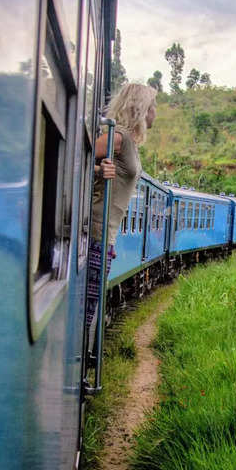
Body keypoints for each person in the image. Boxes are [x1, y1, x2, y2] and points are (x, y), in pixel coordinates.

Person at [85, 83, 157, 329]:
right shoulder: (120, 137)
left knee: (91, 304)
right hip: (97, 229)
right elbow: (76, 153)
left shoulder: (130, 143)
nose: (155, 112)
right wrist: (97, 169)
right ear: (141, 108)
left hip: (107, 234)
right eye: (152, 106)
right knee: (87, 309)